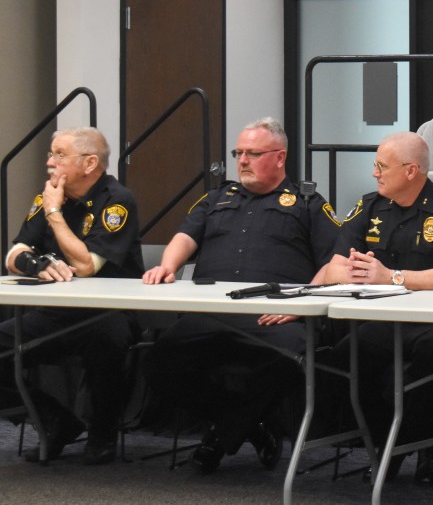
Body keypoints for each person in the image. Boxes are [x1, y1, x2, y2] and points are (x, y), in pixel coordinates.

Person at [141, 117, 340, 473]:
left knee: (292, 357)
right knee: (159, 361)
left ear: (280, 157)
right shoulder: (217, 197)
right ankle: (244, 424)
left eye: (252, 153)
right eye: (239, 153)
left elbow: (335, 262)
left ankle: (221, 434)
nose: (242, 160)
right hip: (210, 312)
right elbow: (186, 236)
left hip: (274, 314)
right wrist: (168, 265)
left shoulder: (308, 203)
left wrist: (302, 305)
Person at [318, 131, 433, 486]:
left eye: (381, 166)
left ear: (411, 171)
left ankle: (408, 449)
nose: (375, 173)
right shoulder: (369, 206)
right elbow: (332, 268)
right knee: (339, 363)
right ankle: (387, 444)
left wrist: (390, 277)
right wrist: (354, 272)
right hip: (384, 320)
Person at [0, 127, 144, 464]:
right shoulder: (49, 193)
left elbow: (85, 265)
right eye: (51, 154)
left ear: (90, 163)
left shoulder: (117, 200)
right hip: (56, 311)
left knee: (105, 342)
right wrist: (33, 264)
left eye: (59, 154)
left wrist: (54, 213)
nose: (49, 162)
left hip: (108, 311)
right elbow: (13, 254)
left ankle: (103, 432)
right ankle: (55, 419)